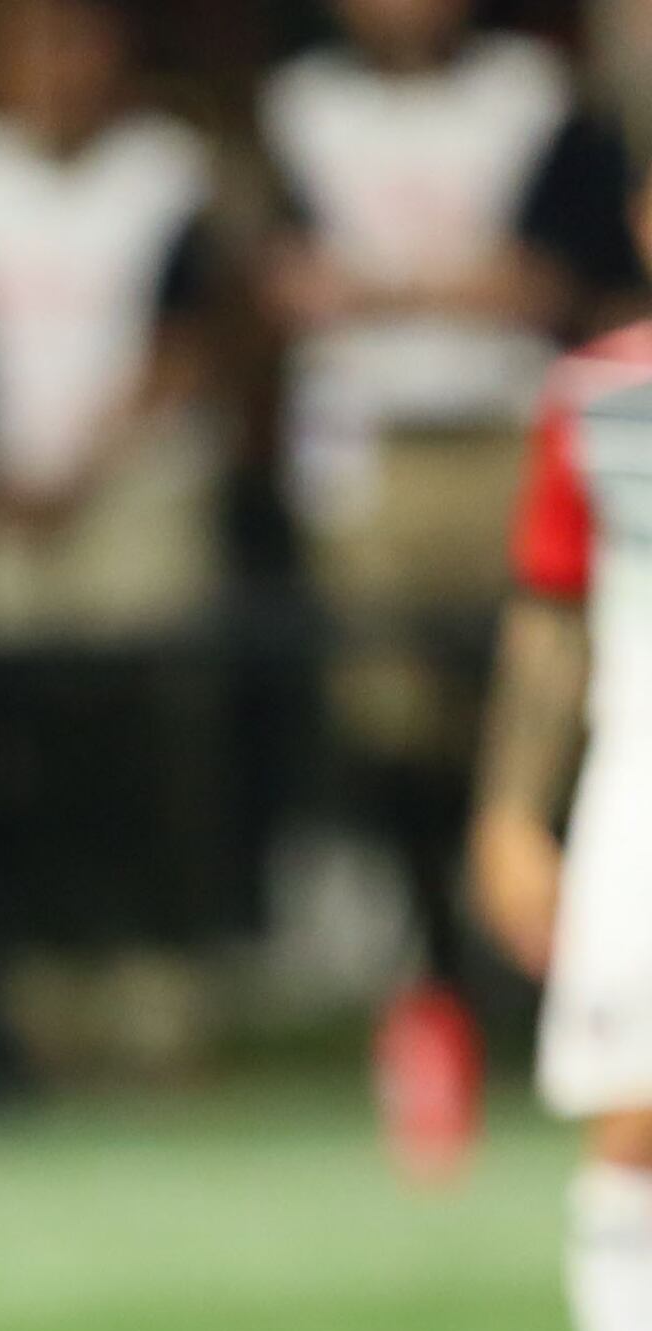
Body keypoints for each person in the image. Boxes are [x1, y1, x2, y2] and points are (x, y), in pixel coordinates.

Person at [262, 0, 644, 1177]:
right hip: (370, 447)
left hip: (489, 421)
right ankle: (440, 987)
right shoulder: (303, 106)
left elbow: (543, 275)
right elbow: (281, 278)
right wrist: (509, 809)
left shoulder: (531, 97)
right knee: (395, 726)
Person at [0, 0, 234, 1073]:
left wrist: (78, 467)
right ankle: (33, 982)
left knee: (141, 734)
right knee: (9, 746)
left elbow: (189, 340)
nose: (55, 66)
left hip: (131, 488)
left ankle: (157, 982)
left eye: (78, 40)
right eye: (30, 44)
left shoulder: (166, 168)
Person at [473, 286, 652, 1331]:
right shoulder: (601, 396)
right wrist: (511, 810)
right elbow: (551, 614)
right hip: (642, 796)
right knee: (632, 1125)